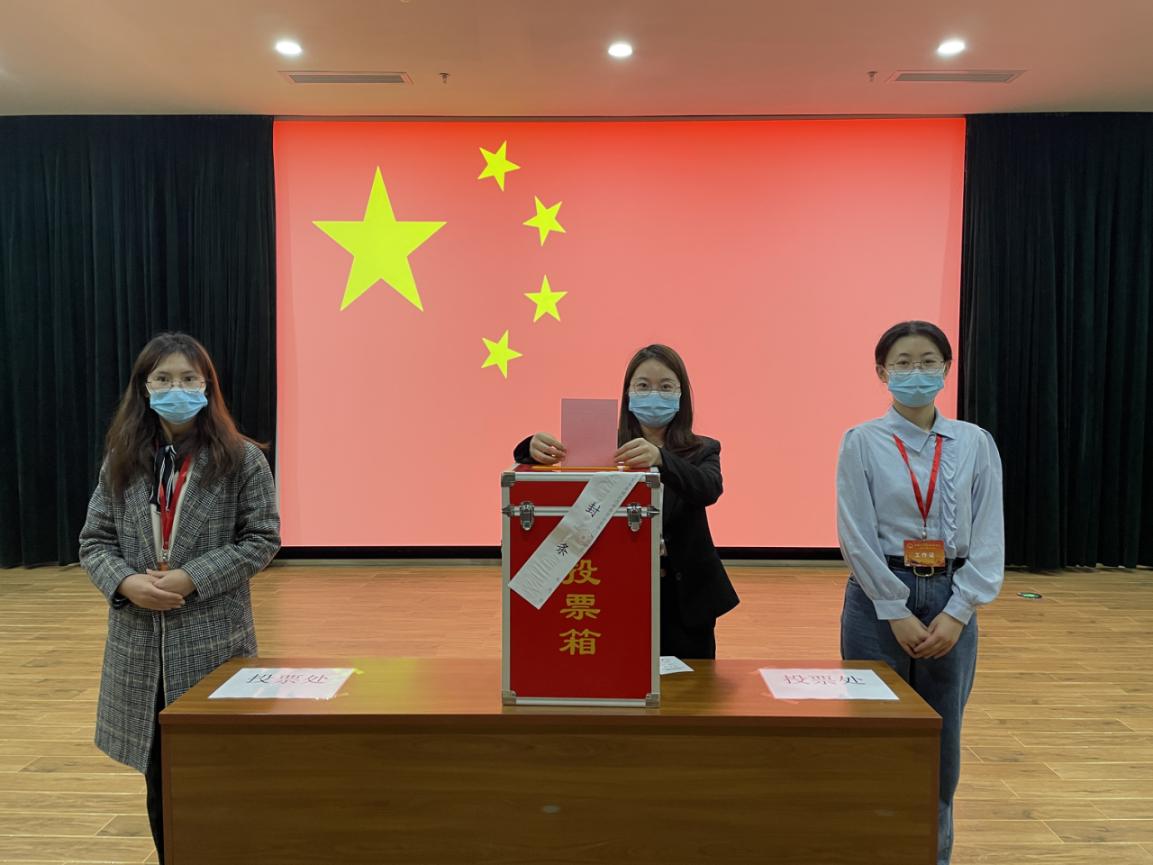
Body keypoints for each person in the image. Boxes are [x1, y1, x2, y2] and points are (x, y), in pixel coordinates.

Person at [79, 332, 280, 864]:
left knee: (221, 771)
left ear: (207, 386)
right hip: (140, 648)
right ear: (144, 388)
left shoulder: (241, 459)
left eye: (189, 379)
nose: (177, 389)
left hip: (214, 642)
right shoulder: (122, 459)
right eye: (163, 379)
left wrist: (193, 576)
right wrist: (126, 583)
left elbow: (262, 539)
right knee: (161, 778)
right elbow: (94, 541)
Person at [836, 320, 1004, 865]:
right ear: (882, 372)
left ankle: (933, 854)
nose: (916, 373)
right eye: (903, 363)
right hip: (876, 596)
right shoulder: (862, 441)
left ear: (946, 369)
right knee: (874, 733)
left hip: (952, 594)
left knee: (941, 740)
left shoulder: (974, 443)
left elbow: (989, 533)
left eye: (928, 362)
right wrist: (894, 609)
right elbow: (855, 534)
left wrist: (959, 611)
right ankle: (872, 849)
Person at [514, 343, 738, 658]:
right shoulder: (605, 444)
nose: (654, 394)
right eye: (643, 386)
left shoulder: (703, 448)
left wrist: (661, 458)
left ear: (681, 395)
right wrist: (530, 448)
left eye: (666, 387)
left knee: (691, 682)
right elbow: (557, 467)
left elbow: (708, 488)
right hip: (620, 586)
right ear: (629, 394)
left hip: (684, 594)